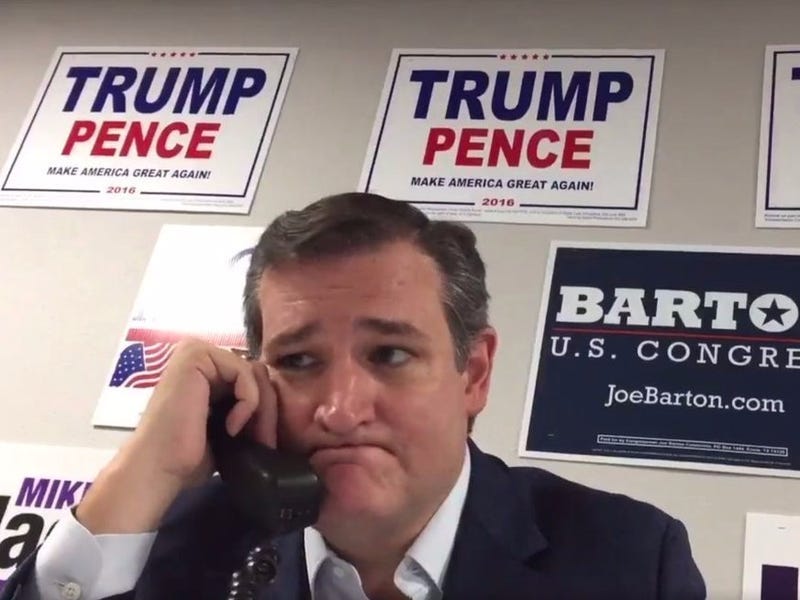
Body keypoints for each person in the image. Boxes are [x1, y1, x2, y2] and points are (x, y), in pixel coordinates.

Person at [1, 192, 706, 600]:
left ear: (474, 374)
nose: (339, 408)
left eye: (391, 354)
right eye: (299, 360)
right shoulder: (173, 547)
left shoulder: (630, 560)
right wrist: (138, 476)